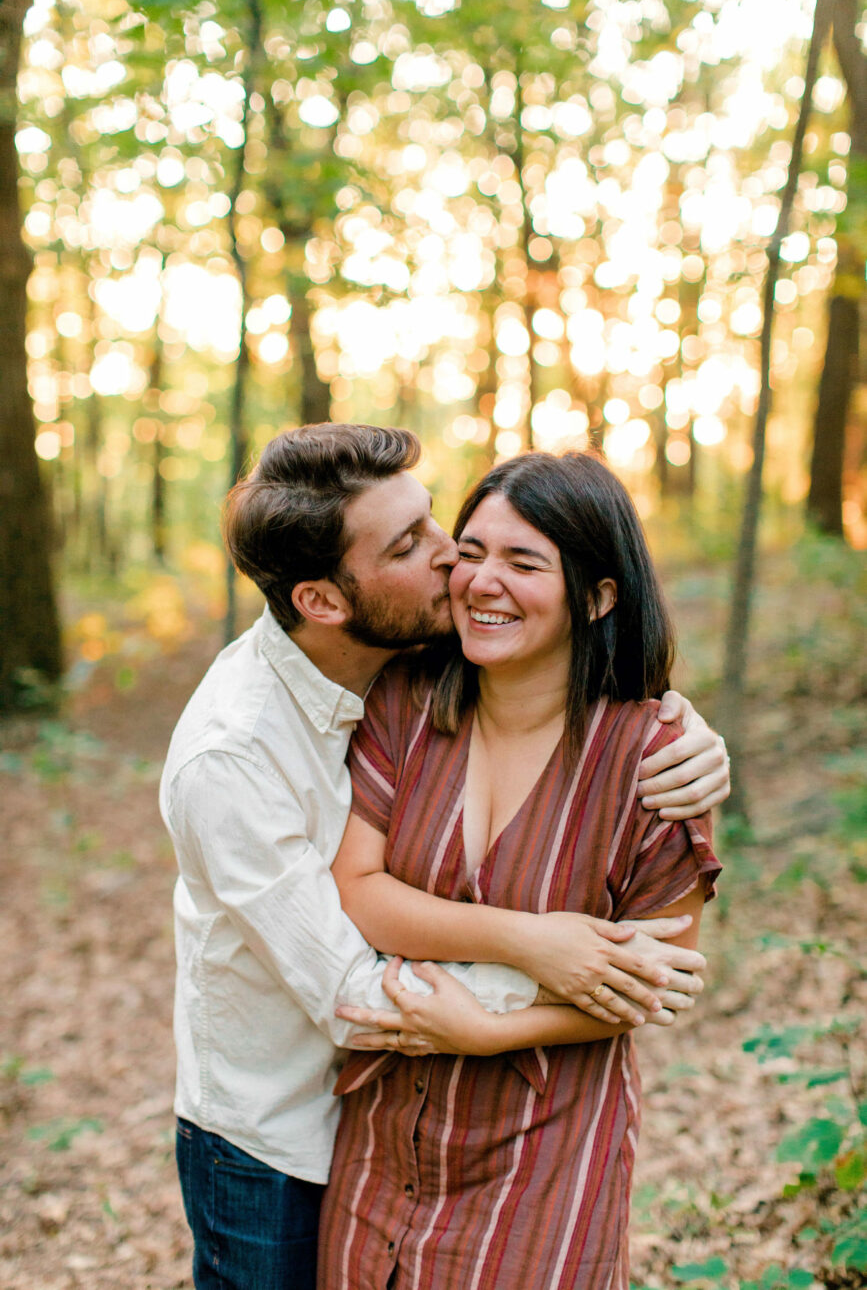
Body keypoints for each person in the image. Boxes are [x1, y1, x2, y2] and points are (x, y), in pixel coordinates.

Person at [160, 425, 728, 1290]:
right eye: (416, 546)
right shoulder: (238, 756)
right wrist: (552, 953)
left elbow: (571, 657)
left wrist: (685, 732)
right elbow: (353, 988)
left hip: (506, 1139)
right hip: (277, 1132)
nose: (452, 568)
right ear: (323, 601)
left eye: (438, 529)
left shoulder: (426, 657)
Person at [319, 449, 723, 1290]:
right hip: (383, 1135)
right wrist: (532, 942)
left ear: (598, 595)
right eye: (470, 552)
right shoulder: (408, 699)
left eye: (523, 561)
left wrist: (490, 1031)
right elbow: (356, 890)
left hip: (546, 1150)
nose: (481, 581)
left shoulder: (653, 761)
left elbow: (651, 980)